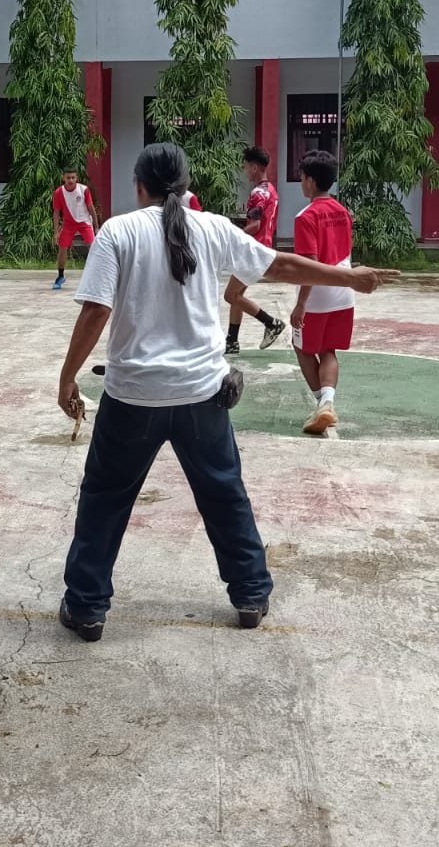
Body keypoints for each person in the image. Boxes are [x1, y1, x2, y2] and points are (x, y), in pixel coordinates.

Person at [54, 143, 394, 641]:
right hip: (202, 395)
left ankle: (86, 607)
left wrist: (67, 378)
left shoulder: (118, 232)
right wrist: (348, 277)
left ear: (139, 186)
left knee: (104, 499)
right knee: (224, 495)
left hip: (133, 398)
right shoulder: (212, 227)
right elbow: (280, 266)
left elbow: (95, 311)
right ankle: (250, 594)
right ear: (186, 185)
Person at [289, 151, 355, 435]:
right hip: (344, 288)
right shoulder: (343, 212)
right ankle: (327, 403)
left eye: (302, 177)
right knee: (328, 350)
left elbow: (310, 265)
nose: (301, 182)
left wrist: (300, 304)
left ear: (311, 181)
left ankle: (323, 404)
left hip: (317, 294)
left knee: (302, 347)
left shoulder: (305, 216)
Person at [224, 146, 285, 355]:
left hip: (252, 250)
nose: (245, 171)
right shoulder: (271, 191)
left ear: (255, 167)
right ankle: (232, 341)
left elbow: (255, 225)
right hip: (264, 248)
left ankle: (271, 322)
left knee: (230, 295)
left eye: (246, 167)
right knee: (237, 295)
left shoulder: (258, 193)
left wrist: (234, 233)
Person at [52, 169, 100, 290]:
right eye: (68, 178)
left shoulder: (84, 190)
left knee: (93, 248)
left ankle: (97, 276)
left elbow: (91, 208)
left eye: (73, 177)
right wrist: (56, 232)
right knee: (62, 249)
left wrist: (96, 226)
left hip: (84, 222)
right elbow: (56, 213)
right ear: (63, 178)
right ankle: (60, 276)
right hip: (68, 224)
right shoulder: (58, 192)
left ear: (76, 178)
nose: (71, 180)